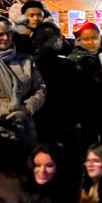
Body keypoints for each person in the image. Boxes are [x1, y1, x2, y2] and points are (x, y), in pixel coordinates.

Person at [0, 13, 47, 147]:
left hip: (24, 131)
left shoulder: (25, 60)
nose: (6, 38)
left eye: (9, 33)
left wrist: (26, 108)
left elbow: (40, 88)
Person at [32, 23, 84, 157]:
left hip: (37, 121)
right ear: (55, 40)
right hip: (65, 122)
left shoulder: (27, 65)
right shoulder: (66, 65)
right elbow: (78, 95)